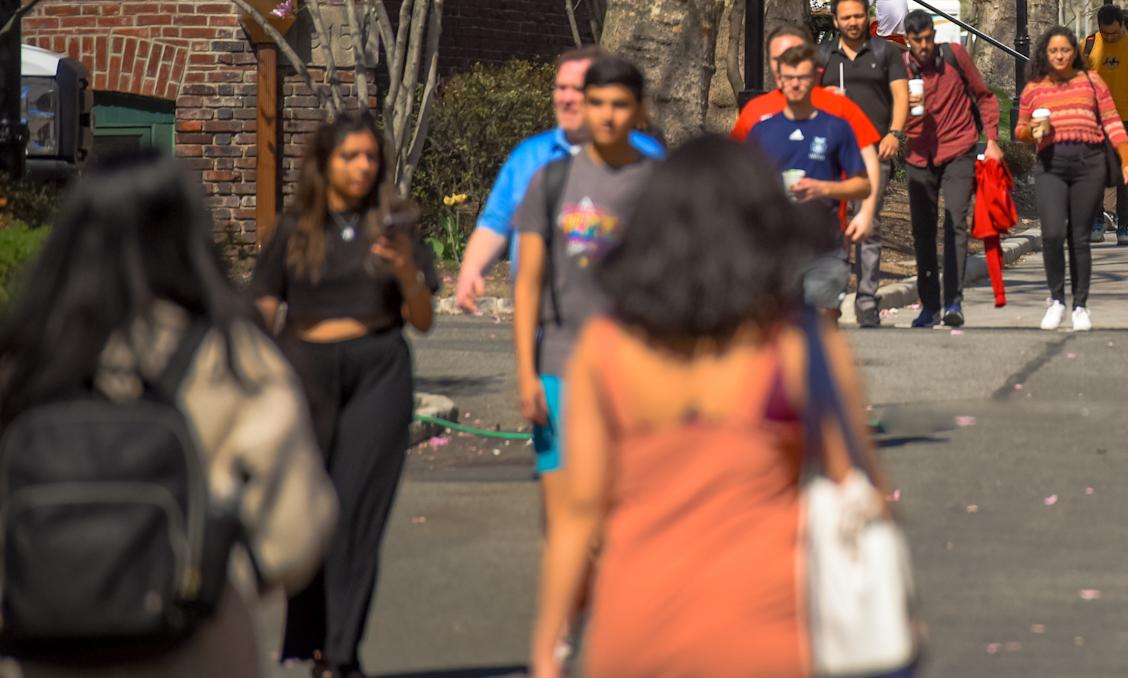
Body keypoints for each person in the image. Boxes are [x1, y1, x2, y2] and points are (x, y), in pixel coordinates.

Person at [529, 136, 883, 678]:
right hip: (769, 637)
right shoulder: (796, 349)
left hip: (633, 636)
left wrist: (548, 650)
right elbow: (859, 490)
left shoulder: (605, 350)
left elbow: (578, 515)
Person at [0, 154, 335, 678]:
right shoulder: (233, 358)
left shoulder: (26, 361)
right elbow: (295, 538)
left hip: (45, 649)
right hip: (198, 644)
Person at [252, 111, 441, 678]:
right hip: (304, 374)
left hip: (378, 372)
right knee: (311, 513)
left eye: (370, 157)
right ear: (325, 163)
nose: (362, 167)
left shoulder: (396, 225)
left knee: (356, 514)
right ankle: (311, 641)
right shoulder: (295, 229)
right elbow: (263, 306)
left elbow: (423, 318)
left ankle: (339, 653)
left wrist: (407, 270)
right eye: (350, 156)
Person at [511, 56, 659, 556]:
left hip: (632, 369)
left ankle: (615, 622)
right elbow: (528, 283)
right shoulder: (550, 182)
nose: (607, 116)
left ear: (640, 112)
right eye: (597, 103)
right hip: (559, 362)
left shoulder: (660, 184)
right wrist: (527, 373)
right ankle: (568, 627)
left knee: (619, 514)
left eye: (620, 105)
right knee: (563, 519)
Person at [453, 47, 666, 315]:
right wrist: (471, 271)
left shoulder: (647, 155)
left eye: (577, 89)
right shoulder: (529, 157)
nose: (567, 98)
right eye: (561, 87)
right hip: (548, 322)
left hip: (622, 322)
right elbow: (495, 224)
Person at [1015, 27, 1128, 331]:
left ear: (1075, 53)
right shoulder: (1034, 88)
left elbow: (1112, 122)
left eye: (1065, 50)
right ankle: (1057, 299)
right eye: (1054, 51)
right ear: (1045, 53)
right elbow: (1019, 130)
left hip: (1088, 164)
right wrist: (1033, 131)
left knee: (1079, 237)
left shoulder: (1091, 82)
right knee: (1053, 234)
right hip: (1051, 166)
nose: (1059, 56)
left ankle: (1080, 305)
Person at [733, 26, 885, 249]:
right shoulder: (755, 111)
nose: (789, 63)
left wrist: (866, 212)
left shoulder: (838, 105)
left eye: (795, 55)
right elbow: (734, 168)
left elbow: (869, 159)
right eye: (778, 59)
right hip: (769, 241)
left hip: (825, 236)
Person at [901, 10, 1001, 327]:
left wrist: (993, 140)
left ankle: (953, 302)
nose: (925, 46)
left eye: (929, 38)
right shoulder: (900, 67)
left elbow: (985, 97)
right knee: (923, 229)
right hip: (918, 154)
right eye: (918, 41)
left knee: (956, 220)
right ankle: (929, 304)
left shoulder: (954, 55)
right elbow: (886, 108)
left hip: (959, 148)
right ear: (908, 41)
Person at [826, 0, 911, 326]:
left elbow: (900, 95)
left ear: (868, 17)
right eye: (845, 17)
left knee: (868, 225)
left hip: (874, 151)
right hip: (831, 153)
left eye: (858, 16)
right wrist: (826, 95)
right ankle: (830, 299)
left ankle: (866, 300)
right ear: (835, 20)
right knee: (831, 227)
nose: (852, 22)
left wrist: (895, 133)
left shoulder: (886, 52)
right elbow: (805, 96)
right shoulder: (823, 56)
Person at [1084, 5, 1128, 246]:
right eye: (1106, 33)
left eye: (1115, 33)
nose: (1111, 37)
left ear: (1123, 25)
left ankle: (1123, 225)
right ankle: (1096, 223)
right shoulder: (1090, 44)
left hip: (1125, 119)